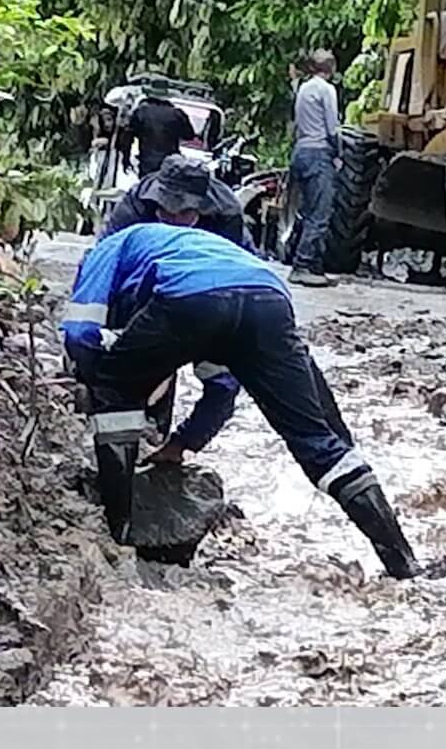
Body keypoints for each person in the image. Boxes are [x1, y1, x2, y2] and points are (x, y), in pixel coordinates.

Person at [60, 222, 422, 579]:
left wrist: (95, 380)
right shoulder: (192, 250)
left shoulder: (106, 249)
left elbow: (80, 332)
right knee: (317, 442)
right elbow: (221, 390)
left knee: (114, 388)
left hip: (191, 298)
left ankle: (121, 531)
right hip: (269, 301)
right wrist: (185, 443)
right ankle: (403, 563)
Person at [98, 155, 255, 465]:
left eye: (182, 212)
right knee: (125, 363)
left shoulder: (227, 217)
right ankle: (138, 430)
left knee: (224, 379)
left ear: (200, 209)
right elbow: (103, 268)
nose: (170, 219)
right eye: (164, 211)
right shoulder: (135, 207)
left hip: (210, 290)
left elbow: (232, 283)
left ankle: (179, 445)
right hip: (141, 287)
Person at [286, 49, 344, 288]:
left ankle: (309, 264)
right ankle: (303, 265)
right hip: (319, 153)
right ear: (331, 69)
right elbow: (332, 127)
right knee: (320, 213)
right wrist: (339, 153)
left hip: (301, 151)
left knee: (307, 211)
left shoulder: (304, 88)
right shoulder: (326, 90)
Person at [123, 92, 197, 180]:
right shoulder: (177, 113)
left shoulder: (141, 112)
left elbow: (128, 137)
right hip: (170, 163)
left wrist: (126, 159)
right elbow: (189, 135)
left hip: (147, 162)